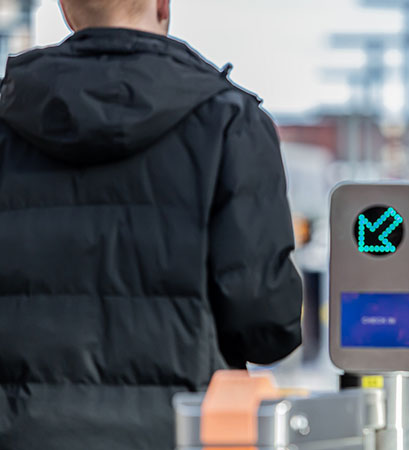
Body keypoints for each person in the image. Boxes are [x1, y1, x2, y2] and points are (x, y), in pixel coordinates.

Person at [0, 1, 302, 448]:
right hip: (182, 432)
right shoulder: (230, 124)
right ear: (162, 4)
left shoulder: (9, 121)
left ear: (66, 9)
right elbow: (266, 327)